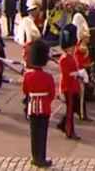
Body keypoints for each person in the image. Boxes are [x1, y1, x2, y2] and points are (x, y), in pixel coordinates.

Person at [22, 38, 55, 168]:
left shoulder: (28, 76)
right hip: (44, 107)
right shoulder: (48, 77)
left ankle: (35, 157)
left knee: (34, 133)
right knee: (43, 134)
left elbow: (25, 90)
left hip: (32, 106)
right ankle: (41, 157)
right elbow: (51, 94)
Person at [56, 24, 82, 139]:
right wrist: (78, 73)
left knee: (73, 108)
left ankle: (62, 124)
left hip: (74, 85)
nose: (73, 48)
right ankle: (69, 131)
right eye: (71, 47)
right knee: (70, 111)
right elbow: (66, 73)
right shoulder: (64, 58)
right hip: (68, 86)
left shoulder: (71, 56)